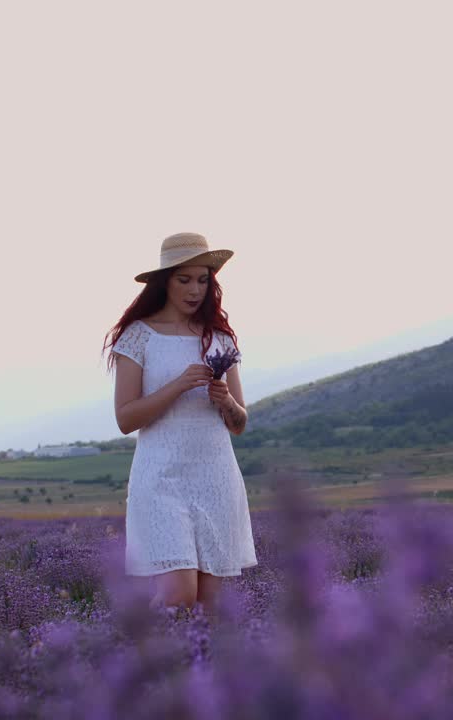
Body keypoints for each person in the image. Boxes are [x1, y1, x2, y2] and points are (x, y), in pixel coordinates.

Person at [103, 232, 258, 616]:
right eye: (184, 279)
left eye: (203, 280)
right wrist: (178, 386)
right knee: (178, 593)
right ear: (165, 281)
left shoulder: (219, 338)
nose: (195, 290)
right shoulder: (138, 337)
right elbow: (125, 418)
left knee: (209, 605)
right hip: (161, 480)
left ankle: (194, 675)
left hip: (215, 478)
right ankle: (134, 660)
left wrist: (226, 402)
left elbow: (239, 424)